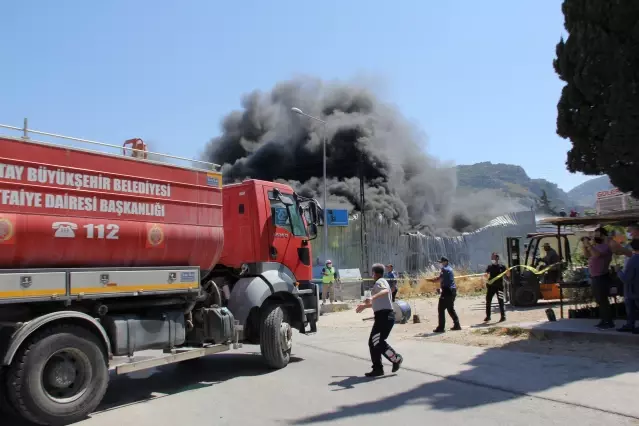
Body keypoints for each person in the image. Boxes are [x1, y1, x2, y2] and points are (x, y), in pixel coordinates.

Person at [355, 263, 403, 377]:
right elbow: (379, 303)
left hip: (385, 317)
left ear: (374, 273)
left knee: (377, 342)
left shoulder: (380, 282)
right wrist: (364, 306)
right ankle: (378, 368)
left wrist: (372, 297)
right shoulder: (381, 282)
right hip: (382, 316)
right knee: (373, 343)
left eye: (372, 273)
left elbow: (385, 291)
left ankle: (396, 359)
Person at [582, 227, 614, 329]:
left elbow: (596, 254)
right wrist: (584, 244)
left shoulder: (605, 247)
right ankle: (604, 319)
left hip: (601, 276)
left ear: (603, 235)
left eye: (597, 234)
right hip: (595, 277)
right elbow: (587, 255)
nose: (595, 237)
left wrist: (589, 245)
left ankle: (608, 321)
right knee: (599, 300)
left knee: (603, 300)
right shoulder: (596, 246)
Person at [428, 256, 461, 333]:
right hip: (453, 291)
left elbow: (440, 279)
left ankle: (441, 327)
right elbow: (442, 278)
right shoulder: (450, 269)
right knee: (450, 308)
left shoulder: (444, 269)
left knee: (441, 309)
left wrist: (431, 280)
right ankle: (457, 324)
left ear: (445, 262)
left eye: (441, 262)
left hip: (447, 291)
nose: (440, 264)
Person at [617, 238, 639, 333]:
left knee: (631, 308)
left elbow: (626, 278)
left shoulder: (633, 260)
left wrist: (618, 271)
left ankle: (630, 324)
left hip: (633, 289)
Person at [484, 252, 509, 323]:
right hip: (491, 287)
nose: (492, 259)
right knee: (488, 301)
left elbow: (508, 276)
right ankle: (488, 316)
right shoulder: (489, 267)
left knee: (501, 302)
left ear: (497, 258)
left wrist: (508, 273)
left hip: (499, 287)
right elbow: (487, 274)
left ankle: (503, 316)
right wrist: (486, 275)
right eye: (491, 258)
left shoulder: (502, 267)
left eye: (493, 258)